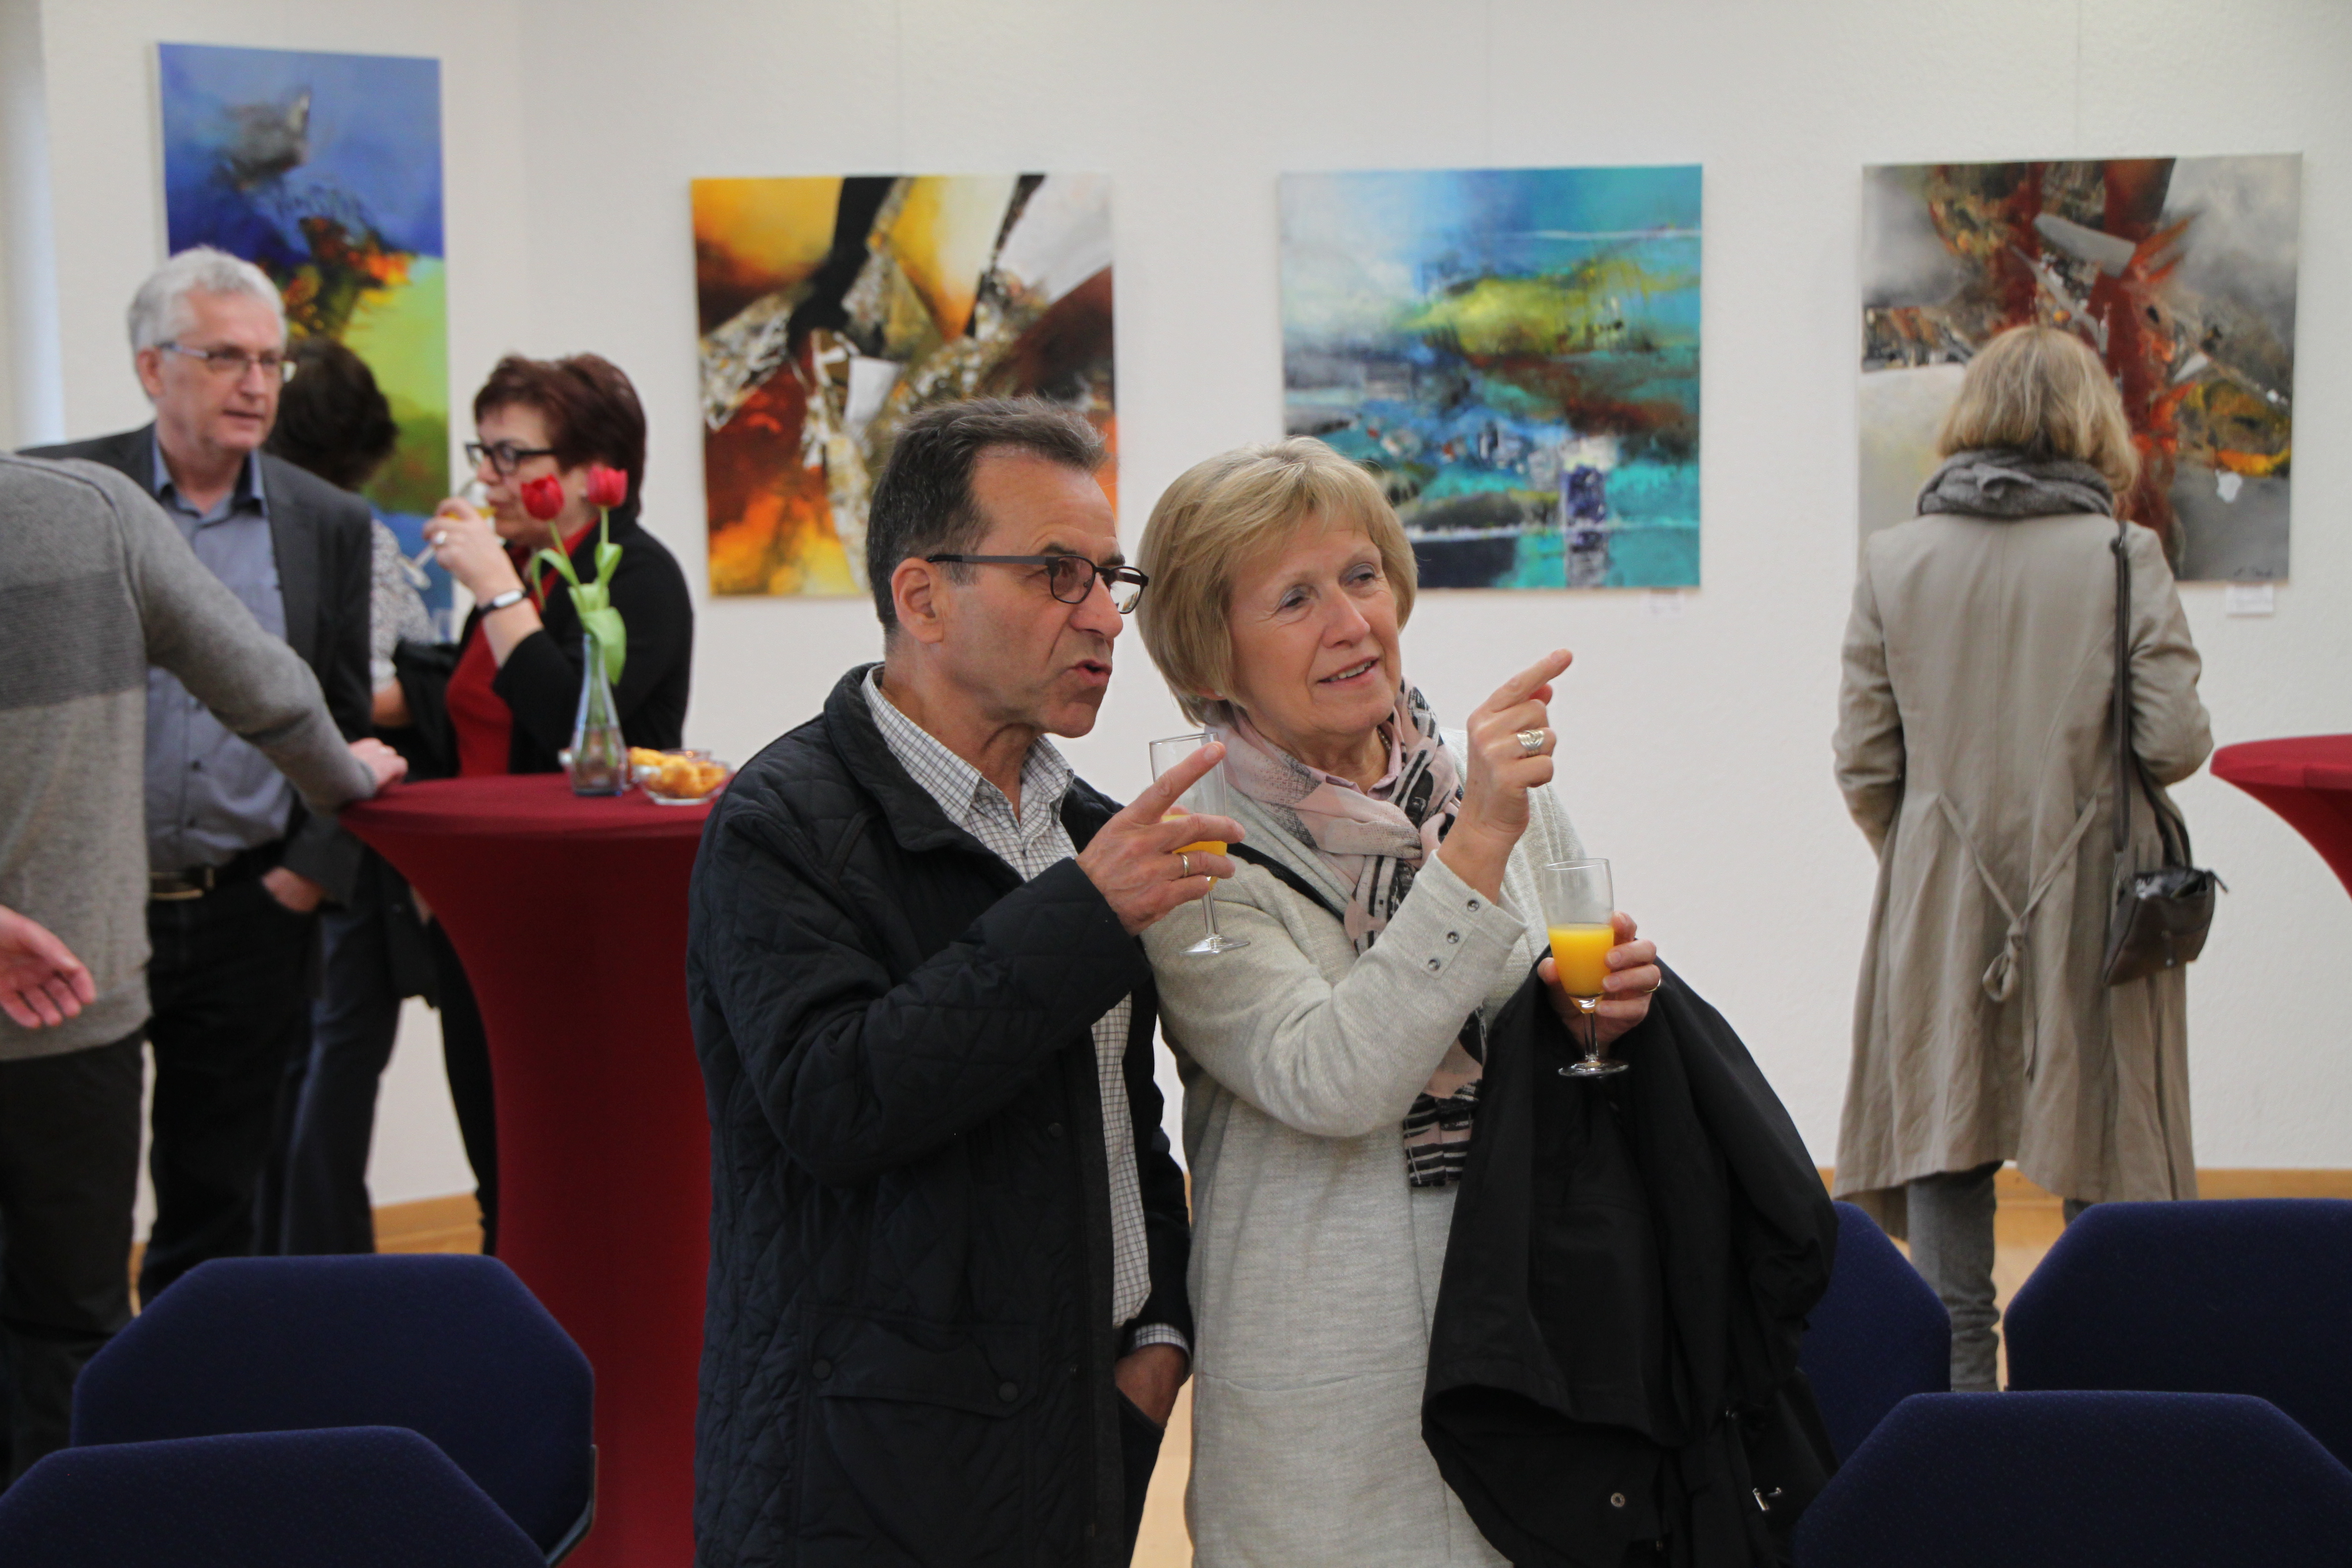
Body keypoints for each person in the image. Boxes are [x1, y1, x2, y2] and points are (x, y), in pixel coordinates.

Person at [687, 399, 1215, 1566]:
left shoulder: (1088, 828)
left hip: (1080, 1434)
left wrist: (1161, 1329)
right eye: (1058, 574)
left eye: (1110, 579)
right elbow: (836, 1102)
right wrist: (1081, 918)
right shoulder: (780, 825)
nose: (1103, 618)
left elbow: (1120, 1114)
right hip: (869, 1474)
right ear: (923, 599)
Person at [1128, 437, 1664, 1565]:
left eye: (1362, 576)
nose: (1352, 622)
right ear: (1211, 650)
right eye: (1295, 598)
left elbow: (1543, 1011)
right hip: (1329, 1386)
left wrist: (1596, 1011)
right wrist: (1476, 849)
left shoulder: (1483, 788)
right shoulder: (1188, 851)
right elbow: (1333, 1078)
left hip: (1529, 1335)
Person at [0, 451, 403, 1479]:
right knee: (68, 1322)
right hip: (68, 998)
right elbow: (264, 686)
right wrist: (343, 774)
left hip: (114, 974)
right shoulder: (93, 509)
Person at [1832, 324, 2213, 1391]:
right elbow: (2174, 744)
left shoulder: (1895, 560)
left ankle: (1964, 1460)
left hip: (1943, 911)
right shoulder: (2124, 558)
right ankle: (2094, 1447)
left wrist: (1931, 864)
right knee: (2110, 1190)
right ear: (2092, 422)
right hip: (2095, 913)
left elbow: (1865, 764)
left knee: (1949, 1211)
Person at [24, 246, 375, 1304]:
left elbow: (341, 715)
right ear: (151, 367)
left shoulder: (326, 521)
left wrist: (305, 876)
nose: (256, 383)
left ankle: (195, 1402)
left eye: (271, 361)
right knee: (60, 1212)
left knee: (220, 1208)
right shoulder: (59, 498)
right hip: (75, 915)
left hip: (248, 908)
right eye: (224, 357)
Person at [381, 352, 694, 1251]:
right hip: (482, 906)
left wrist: (496, 590)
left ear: (594, 473)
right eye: (483, 453)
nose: (488, 477)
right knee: (499, 1170)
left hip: (582, 916)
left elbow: (574, 731)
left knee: (575, 1178)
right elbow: (471, 720)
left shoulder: (638, 576)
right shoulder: (530, 572)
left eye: (512, 455)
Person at [261, 336, 438, 1255]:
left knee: (304, 1063)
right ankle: (322, 1273)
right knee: (329, 1062)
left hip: (295, 822)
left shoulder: (287, 525)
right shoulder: (348, 531)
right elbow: (369, 691)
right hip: (338, 824)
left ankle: (297, 1272)